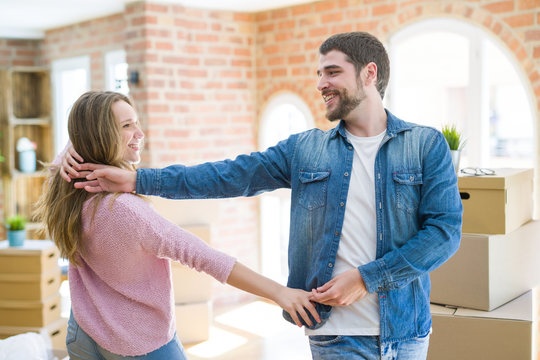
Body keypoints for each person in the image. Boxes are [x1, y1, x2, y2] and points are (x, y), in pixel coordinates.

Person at [62, 32, 463, 359]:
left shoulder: (425, 146)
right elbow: (224, 176)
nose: (321, 83)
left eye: (332, 72)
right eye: (319, 73)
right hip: (335, 331)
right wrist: (137, 180)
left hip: (407, 328)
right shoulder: (305, 149)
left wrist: (365, 278)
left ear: (369, 73)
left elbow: (445, 233)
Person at [35, 91, 320, 360]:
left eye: (136, 122)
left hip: (83, 332)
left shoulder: (65, 188)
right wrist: (279, 293)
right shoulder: (127, 211)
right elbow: (208, 259)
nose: (140, 133)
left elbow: (62, 159)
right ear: (100, 136)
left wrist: (72, 149)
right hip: (138, 343)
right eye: (126, 125)